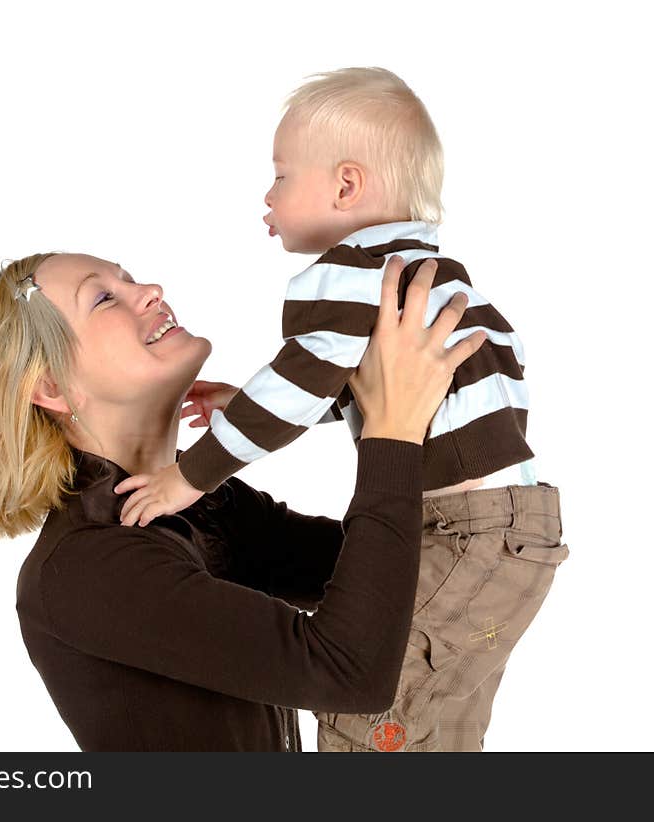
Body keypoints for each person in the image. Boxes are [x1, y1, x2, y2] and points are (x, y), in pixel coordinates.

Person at [116, 67, 569, 752]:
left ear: (346, 186)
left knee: (368, 716)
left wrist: (191, 476)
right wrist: (251, 401)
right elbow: (450, 378)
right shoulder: (438, 279)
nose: (267, 195)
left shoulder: (348, 271)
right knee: (438, 728)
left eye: (280, 176)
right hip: (518, 528)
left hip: (465, 529)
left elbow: (303, 382)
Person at [0, 249, 483, 751]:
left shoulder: (198, 508)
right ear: (53, 387)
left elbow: (411, 577)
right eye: (104, 298)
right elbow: (351, 671)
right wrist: (392, 431)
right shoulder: (88, 567)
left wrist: (372, 405)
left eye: (127, 277)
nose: (150, 289)